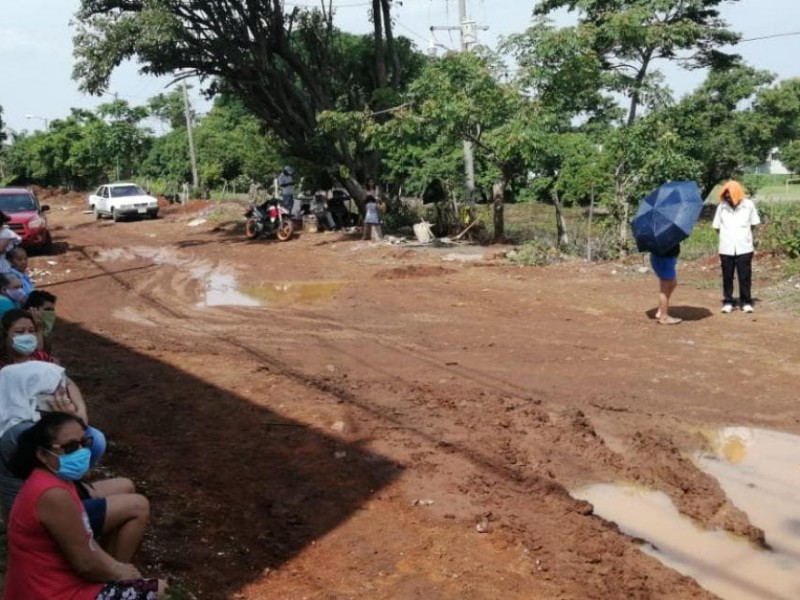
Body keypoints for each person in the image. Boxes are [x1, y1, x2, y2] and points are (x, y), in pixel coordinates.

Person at [4, 412, 166, 599]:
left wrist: (117, 570)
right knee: (163, 592)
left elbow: (86, 543)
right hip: (53, 593)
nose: (82, 452)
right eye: (71, 447)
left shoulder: (55, 480)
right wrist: (121, 572)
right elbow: (86, 564)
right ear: (42, 454)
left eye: (84, 443)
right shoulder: (52, 495)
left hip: (50, 586)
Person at [713, 180, 762, 314]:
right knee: (727, 276)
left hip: (744, 247)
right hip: (726, 247)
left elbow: (753, 224)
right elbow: (717, 227)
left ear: (738, 193)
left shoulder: (748, 205)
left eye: (730, 194)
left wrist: (743, 235)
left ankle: (745, 302)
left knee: (745, 276)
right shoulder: (721, 207)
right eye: (726, 194)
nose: (728, 197)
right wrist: (727, 236)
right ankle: (728, 301)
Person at [650, 244, 682, 325]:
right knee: (665, 287)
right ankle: (664, 317)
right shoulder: (663, 237)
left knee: (672, 283)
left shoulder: (665, 234)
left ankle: (661, 311)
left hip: (666, 258)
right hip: (664, 259)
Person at [24, 289, 58, 353]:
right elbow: (38, 355)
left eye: (52, 310)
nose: (51, 313)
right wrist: (39, 330)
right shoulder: (23, 329)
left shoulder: (43, 328)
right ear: (33, 310)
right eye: (47, 309)